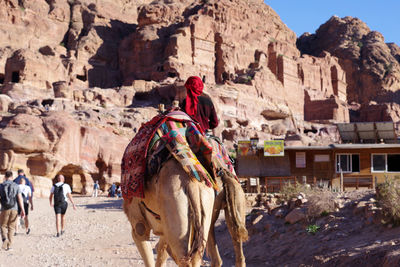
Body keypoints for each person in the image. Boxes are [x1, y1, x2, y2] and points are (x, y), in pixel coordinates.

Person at [0, 171, 25, 251]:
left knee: (3, 226)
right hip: (14, 208)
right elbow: (20, 198)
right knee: (11, 227)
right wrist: (23, 210)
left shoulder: (1, 186)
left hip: (4, 209)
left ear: (5, 177)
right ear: (12, 176)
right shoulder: (16, 185)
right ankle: (9, 246)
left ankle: (5, 239)